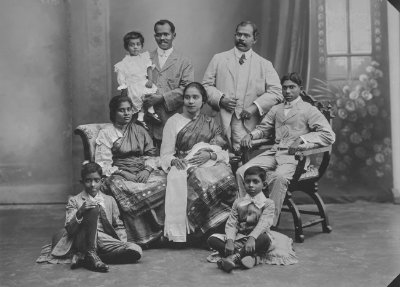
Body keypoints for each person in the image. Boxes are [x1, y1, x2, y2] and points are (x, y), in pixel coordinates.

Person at [237, 72, 336, 225]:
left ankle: (268, 224)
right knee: (242, 171)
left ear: (300, 89)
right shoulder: (276, 109)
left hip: (295, 157)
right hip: (274, 153)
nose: (288, 92)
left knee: (279, 177)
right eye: (285, 88)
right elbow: (264, 128)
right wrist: (251, 135)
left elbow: (328, 135)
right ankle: (246, 217)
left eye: (292, 87)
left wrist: (302, 139)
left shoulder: (308, 109)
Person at [160, 82, 237, 243]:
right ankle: (202, 230)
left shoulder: (209, 122)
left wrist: (209, 155)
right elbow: (165, 154)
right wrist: (174, 160)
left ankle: (221, 226)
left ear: (203, 101)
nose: (191, 101)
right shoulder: (173, 122)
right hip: (185, 163)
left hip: (208, 162)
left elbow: (221, 150)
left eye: (195, 97)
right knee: (200, 178)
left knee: (226, 175)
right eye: (187, 97)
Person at [95, 95, 166, 247]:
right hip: (119, 172)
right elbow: (102, 164)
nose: (127, 113)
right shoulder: (107, 133)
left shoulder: (139, 130)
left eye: (129, 110)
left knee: (165, 181)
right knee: (121, 187)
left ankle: (159, 232)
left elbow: (152, 154)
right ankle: (139, 237)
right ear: (114, 112)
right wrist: (122, 173)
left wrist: (147, 170)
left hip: (142, 170)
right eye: (121, 110)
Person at [202, 20, 282, 152]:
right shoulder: (219, 59)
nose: (241, 38)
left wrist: (255, 107)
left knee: (242, 158)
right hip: (221, 120)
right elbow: (205, 86)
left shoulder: (264, 64)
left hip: (249, 124)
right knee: (218, 155)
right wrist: (221, 99)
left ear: (254, 39)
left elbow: (277, 92)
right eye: (239, 35)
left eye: (246, 36)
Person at [50, 162, 142, 272]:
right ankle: (90, 253)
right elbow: (69, 229)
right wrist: (80, 212)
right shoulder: (74, 200)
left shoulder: (109, 200)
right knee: (93, 208)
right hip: (82, 239)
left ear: (102, 181)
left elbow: (118, 225)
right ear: (82, 182)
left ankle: (86, 259)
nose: (93, 184)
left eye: (96, 180)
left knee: (135, 250)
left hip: (104, 240)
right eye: (88, 180)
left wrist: (121, 243)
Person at [207, 166, 274, 273]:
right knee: (212, 239)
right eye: (248, 181)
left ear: (264, 184)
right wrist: (230, 241)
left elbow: (263, 223)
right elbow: (231, 223)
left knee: (265, 238)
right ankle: (247, 258)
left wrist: (252, 238)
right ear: (244, 183)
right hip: (240, 238)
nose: (251, 185)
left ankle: (234, 257)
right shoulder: (238, 202)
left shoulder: (268, 203)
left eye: (255, 181)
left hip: (256, 240)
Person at [144, 19, 194, 146]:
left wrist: (161, 98)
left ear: (173, 35)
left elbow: (187, 90)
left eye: (166, 34)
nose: (162, 38)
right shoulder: (145, 58)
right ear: (154, 36)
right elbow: (136, 83)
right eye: (158, 35)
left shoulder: (184, 61)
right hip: (147, 121)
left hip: (172, 120)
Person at [114, 31, 159, 130]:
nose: (135, 47)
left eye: (138, 44)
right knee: (139, 101)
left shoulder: (144, 57)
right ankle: (140, 117)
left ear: (142, 46)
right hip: (133, 86)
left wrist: (150, 80)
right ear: (127, 47)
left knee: (148, 97)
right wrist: (124, 91)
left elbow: (149, 69)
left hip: (143, 83)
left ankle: (150, 112)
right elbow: (122, 79)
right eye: (132, 45)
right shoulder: (124, 63)